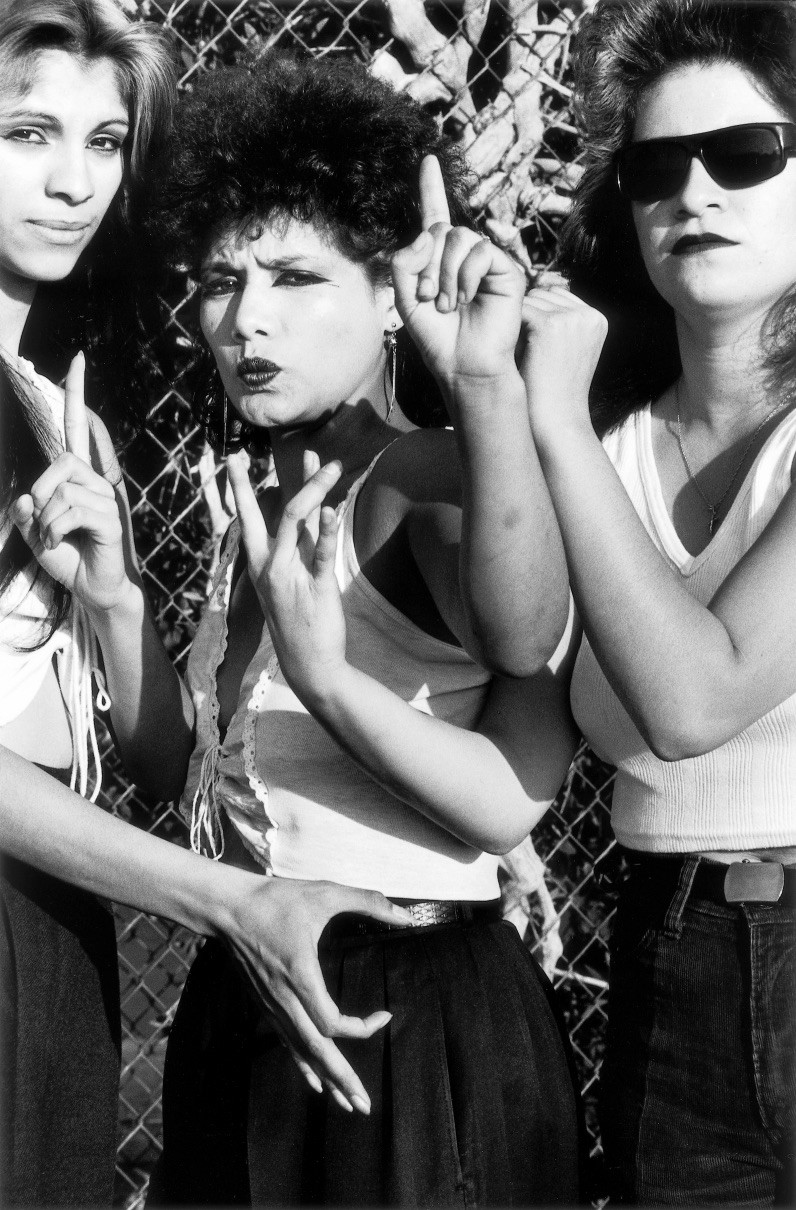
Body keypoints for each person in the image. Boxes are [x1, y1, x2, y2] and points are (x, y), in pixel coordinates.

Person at [142, 52, 581, 1206]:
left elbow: (526, 633)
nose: (248, 320)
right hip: (249, 990)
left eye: (296, 277)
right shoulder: (263, 501)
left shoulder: (424, 475)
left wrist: (484, 388)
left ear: (388, 293)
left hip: (409, 1012)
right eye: (222, 280)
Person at [0, 5, 416, 1203]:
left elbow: (132, 761)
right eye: (29, 132)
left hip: (57, 906)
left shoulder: (57, 399)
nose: (72, 182)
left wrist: (121, 602)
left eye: (107, 140)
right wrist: (236, 900)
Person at [518, 0, 796, 1203]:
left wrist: (548, 422)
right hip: (663, 955)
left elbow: (696, 699)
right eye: (654, 167)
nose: (697, 192)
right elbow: (518, 717)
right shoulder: (605, 449)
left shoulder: (575, 447)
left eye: (744, 156)